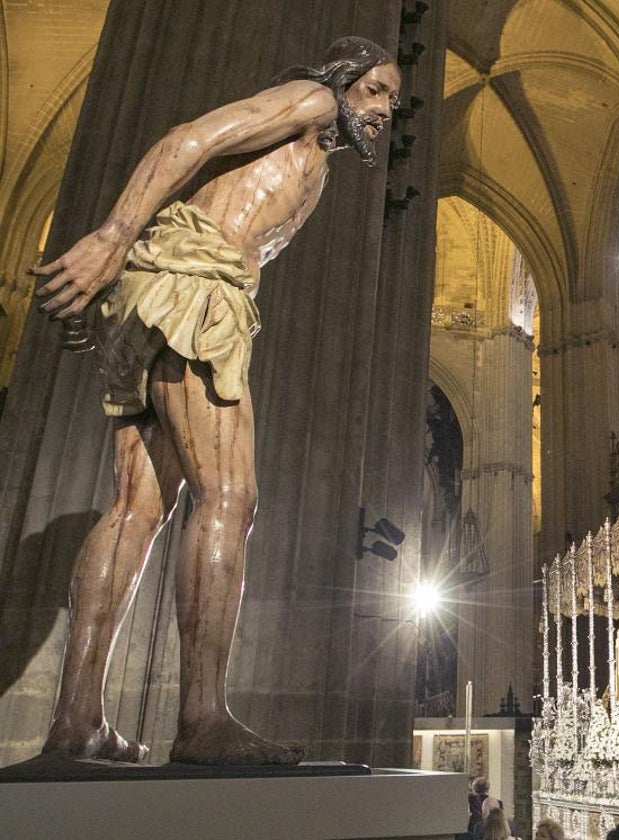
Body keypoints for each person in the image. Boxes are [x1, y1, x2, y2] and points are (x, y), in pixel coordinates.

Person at [31, 36, 401, 767]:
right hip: (197, 293)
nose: (386, 107)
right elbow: (188, 140)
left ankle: (78, 723)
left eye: (392, 98)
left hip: (165, 288)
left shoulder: (314, 160)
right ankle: (202, 719)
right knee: (231, 497)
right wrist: (111, 238)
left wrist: (120, 286)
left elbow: (194, 194)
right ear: (343, 78)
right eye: (377, 89)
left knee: (138, 508)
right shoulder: (309, 99)